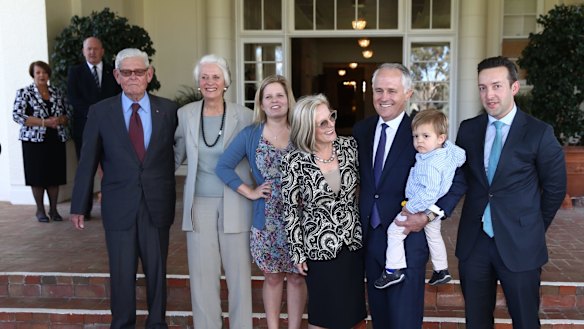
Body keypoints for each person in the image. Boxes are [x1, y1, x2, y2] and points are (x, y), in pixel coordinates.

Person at [440, 56, 567, 329]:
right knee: (476, 321)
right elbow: (462, 178)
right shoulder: (468, 129)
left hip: (521, 244)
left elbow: (555, 188)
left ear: (514, 88)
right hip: (474, 244)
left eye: (496, 86)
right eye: (483, 87)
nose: (489, 94)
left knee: (525, 320)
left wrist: (532, 226)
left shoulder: (539, 133)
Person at [69, 48, 178, 329]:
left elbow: (178, 152)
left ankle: (157, 324)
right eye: (126, 72)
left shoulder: (168, 110)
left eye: (139, 72)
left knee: (157, 272)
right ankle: (122, 324)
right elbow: (87, 161)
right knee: (121, 273)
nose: (133, 77)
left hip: (157, 204)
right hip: (118, 206)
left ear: (149, 74)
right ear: (116, 76)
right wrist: (79, 205)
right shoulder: (100, 112)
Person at [215, 75, 307, 329]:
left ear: (288, 100)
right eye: (269, 97)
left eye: (279, 95)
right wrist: (250, 191)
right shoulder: (251, 134)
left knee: (298, 278)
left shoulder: (302, 131)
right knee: (273, 277)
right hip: (266, 220)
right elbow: (223, 167)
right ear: (262, 104)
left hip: (300, 220)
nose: (275, 101)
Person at [174, 54, 254, 329]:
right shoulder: (184, 114)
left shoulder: (244, 116)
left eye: (215, 77)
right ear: (198, 82)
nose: (210, 82)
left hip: (236, 202)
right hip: (199, 204)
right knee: (202, 276)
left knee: (239, 276)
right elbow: (175, 157)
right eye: (205, 77)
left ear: (226, 82)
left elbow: (256, 158)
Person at [353, 63, 434, 328]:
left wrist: (429, 214)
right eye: (378, 91)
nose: (384, 97)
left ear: (408, 93)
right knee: (381, 317)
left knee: (404, 320)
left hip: (406, 237)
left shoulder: (421, 131)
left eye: (391, 90)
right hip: (371, 237)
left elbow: (454, 178)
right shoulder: (361, 131)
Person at [281, 94, 366, 329]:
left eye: (331, 117)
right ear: (307, 128)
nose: (331, 125)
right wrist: (297, 252)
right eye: (323, 123)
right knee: (323, 315)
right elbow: (290, 211)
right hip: (318, 248)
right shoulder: (294, 160)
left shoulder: (349, 147)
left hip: (351, 244)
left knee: (353, 314)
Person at [373, 109, 465, 289]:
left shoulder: (430, 164)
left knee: (394, 232)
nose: (419, 141)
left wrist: (410, 207)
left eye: (425, 136)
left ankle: (393, 270)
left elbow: (429, 192)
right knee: (434, 236)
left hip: (420, 205)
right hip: (433, 209)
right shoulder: (446, 154)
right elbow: (458, 154)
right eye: (416, 136)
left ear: (440, 138)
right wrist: (446, 144)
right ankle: (441, 270)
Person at [67, 36, 121, 217]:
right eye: (88, 49)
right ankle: (84, 208)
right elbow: (74, 98)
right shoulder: (75, 72)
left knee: (111, 166)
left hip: (111, 127)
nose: (92, 52)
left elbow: (118, 97)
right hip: (84, 127)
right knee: (86, 168)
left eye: (95, 49)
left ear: (102, 51)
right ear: (83, 51)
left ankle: (112, 203)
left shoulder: (112, 72)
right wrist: (95, 115)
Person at [13, 60, 70, 223]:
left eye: (44, 72)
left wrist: (59, 120)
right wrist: (44, 122)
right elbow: (18, 116)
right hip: (33, 141)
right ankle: (40, 210)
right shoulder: (24, 92)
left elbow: (67, 115)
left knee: (55, 175)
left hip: (56, 138)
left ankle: (54, 210)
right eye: (38, 73)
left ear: (48, 74)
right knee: (37, 176)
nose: (41, 75)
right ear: (33, 75)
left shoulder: (57, 92)